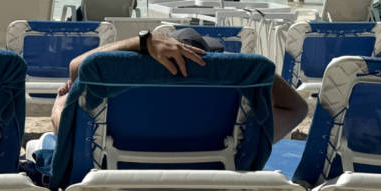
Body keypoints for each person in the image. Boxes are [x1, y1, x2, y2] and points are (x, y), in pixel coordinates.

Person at [48, 25, 308, 141]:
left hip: (118, 175)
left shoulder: (119, 121)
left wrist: (58, 107)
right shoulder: (235, 133)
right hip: (210, 178)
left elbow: (78, 68)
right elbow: (297, 109)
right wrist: (239, 65)